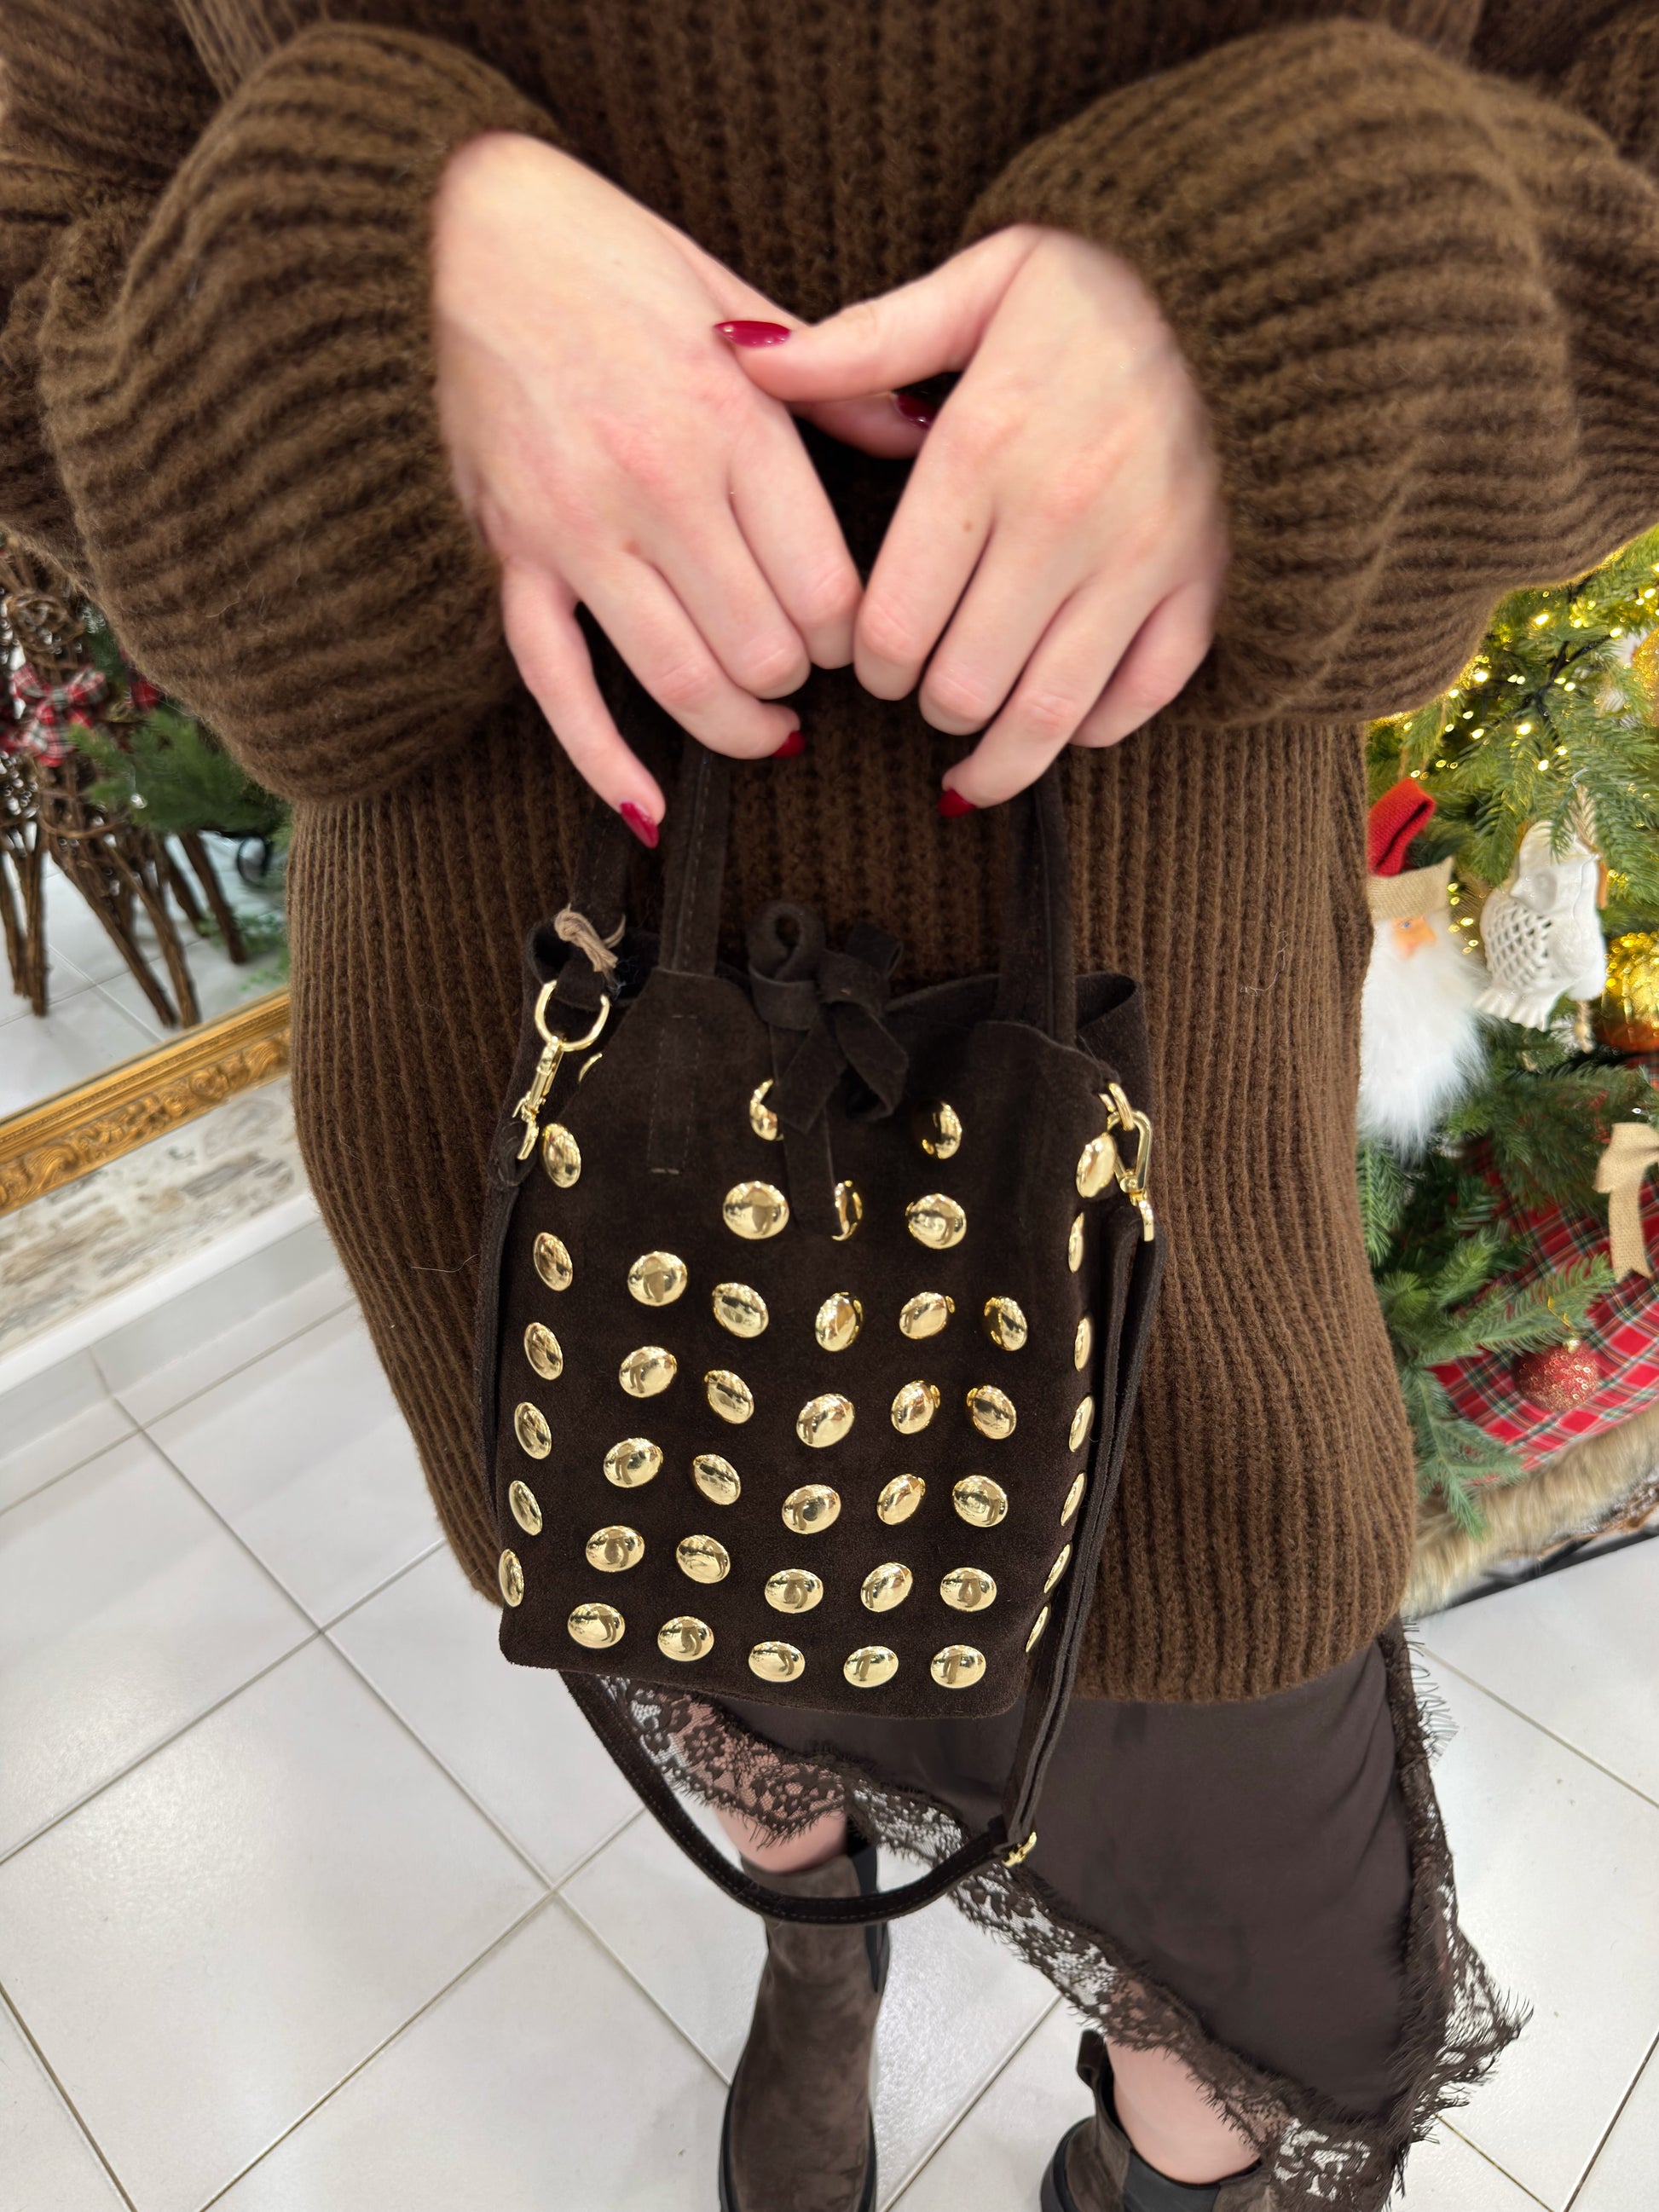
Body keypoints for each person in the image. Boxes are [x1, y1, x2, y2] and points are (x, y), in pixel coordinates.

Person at [3, 4, 1656, 2206]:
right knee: (709, 1618)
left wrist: (1320, 303)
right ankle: (814, 1943)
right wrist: (368, 298)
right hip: (551, 1123)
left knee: (1276, 1943)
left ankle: (1139, 2144)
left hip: (1162, 1187)